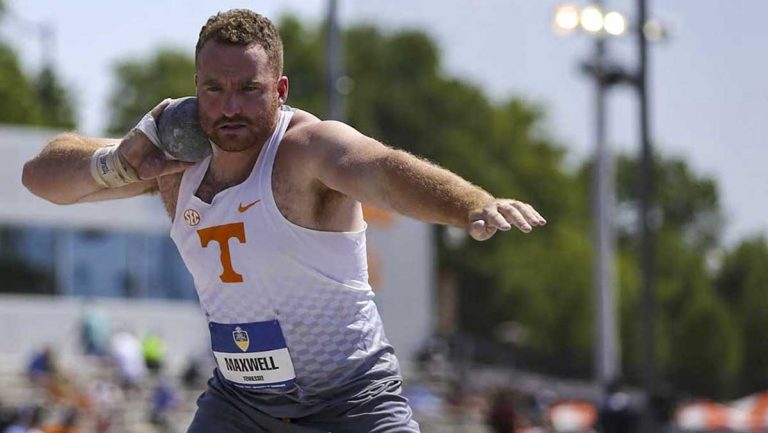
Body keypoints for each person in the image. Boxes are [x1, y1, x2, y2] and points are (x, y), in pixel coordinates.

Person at [21, 9, 546, 433]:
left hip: (351, 401)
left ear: (280, 89)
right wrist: (117, 162)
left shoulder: (305, 152)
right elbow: (40, 179)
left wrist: (470, 202)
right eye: (214, 89)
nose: (230, 107)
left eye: (249, 89)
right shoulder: (171, 161)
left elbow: (384, 171)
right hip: (240, 404)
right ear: (194, 88)